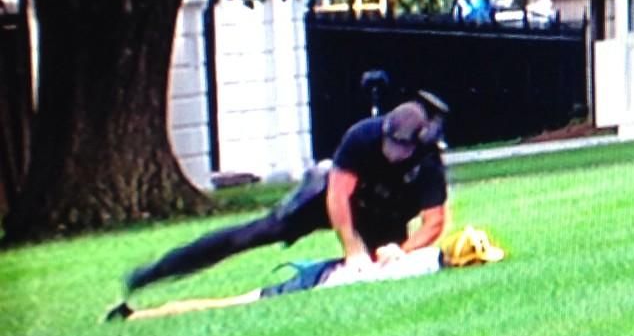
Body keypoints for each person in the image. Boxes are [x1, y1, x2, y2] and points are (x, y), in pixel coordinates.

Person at [121, 92, 451, 293]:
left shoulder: (428, 162)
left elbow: (433, 222)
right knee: (250, 234)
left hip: (387, 215)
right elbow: (338, 195)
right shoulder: (362, 136)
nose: (391, 152)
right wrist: (353, 249)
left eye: (401, 147)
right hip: (331, 201)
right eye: (389, 143)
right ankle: (155, 273)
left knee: (386, 272)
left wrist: (402, 249)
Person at [105, 225, 506, 322]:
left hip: (325, 273)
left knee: (236, 301)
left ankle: (137, 314)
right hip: (319, 282)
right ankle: (138, 316)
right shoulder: (422, 270)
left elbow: (386, 254)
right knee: (232, 303)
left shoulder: (426, 259)